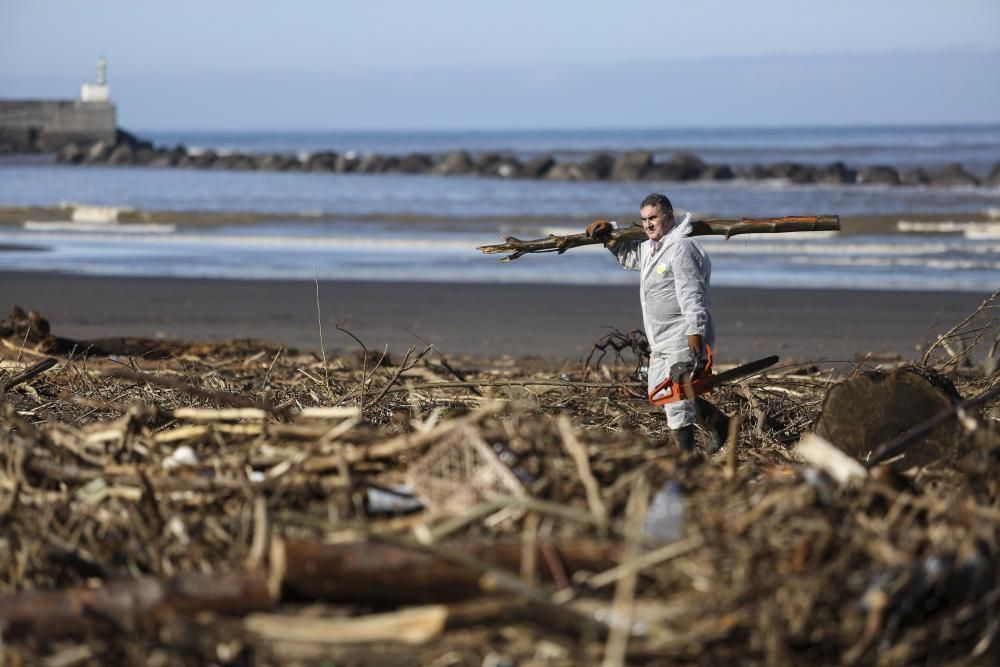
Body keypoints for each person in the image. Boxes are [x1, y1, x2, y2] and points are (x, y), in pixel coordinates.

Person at [585, 193, 729, 452]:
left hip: (682, 335)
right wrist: (608, 232)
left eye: (653, 218)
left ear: (669, 217)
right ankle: (720, 424)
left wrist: (695, 332)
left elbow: (692, 293)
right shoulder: (652, 248)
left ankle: (684, 458)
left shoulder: (682, 248)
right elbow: (630, 257)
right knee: (661, 393)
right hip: (660, 338)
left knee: (677, 401)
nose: (648, 224)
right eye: (644, 220)